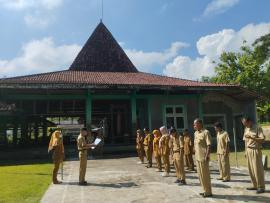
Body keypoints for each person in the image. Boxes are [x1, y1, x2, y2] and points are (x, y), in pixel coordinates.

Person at [242, 117, 265, 193]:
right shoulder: (246, 129)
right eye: (244, 124)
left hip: (255, 150)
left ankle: (261, 187)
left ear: (250, 121)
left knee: (257, 169)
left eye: (246, 124)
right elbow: (245, 141)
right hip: (248, 150)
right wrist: (245, 151)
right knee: (251, 169)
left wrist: (252, 137)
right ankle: (254, 185)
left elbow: (262, 140)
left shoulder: (258, 128)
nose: (245, 126)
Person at [194, 118, 212, 198]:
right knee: (200, 175)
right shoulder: (195, 133)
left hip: (203, 157)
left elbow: (209, 145)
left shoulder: (206, 132)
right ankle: (204, 190)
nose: (194, 126)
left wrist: (207, 155)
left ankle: (208, 192)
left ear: (200, 124)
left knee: (205, 175)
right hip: (197, 157)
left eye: (195, 124)